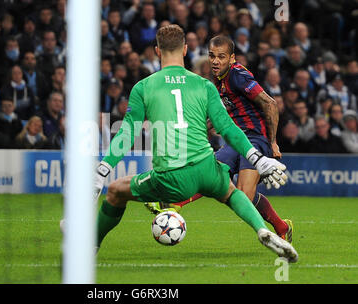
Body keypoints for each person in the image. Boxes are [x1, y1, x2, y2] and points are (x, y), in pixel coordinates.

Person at [92, 25, 297, 262]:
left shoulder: (144, 87)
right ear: (186, 49)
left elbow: (127, 133)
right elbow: (228, 128)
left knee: (116, 190)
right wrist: (257, 158)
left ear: (157, 51)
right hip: (206, 167)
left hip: (172, 174)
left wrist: (103, 169)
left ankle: (90, 246)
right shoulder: (204, 85)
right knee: (230, 192)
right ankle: (262, 229)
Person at [147, 35, 293, 243]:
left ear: (232, 58)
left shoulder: (238, 76)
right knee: (210, 174)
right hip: (235, 139)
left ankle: (281, 226)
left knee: (244, 195)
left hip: (255, 139)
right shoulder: (218, 79)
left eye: (221, 57)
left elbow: (270, 104)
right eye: (212, 56)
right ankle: (176, 203)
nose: (215, 61)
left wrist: (272, 143)